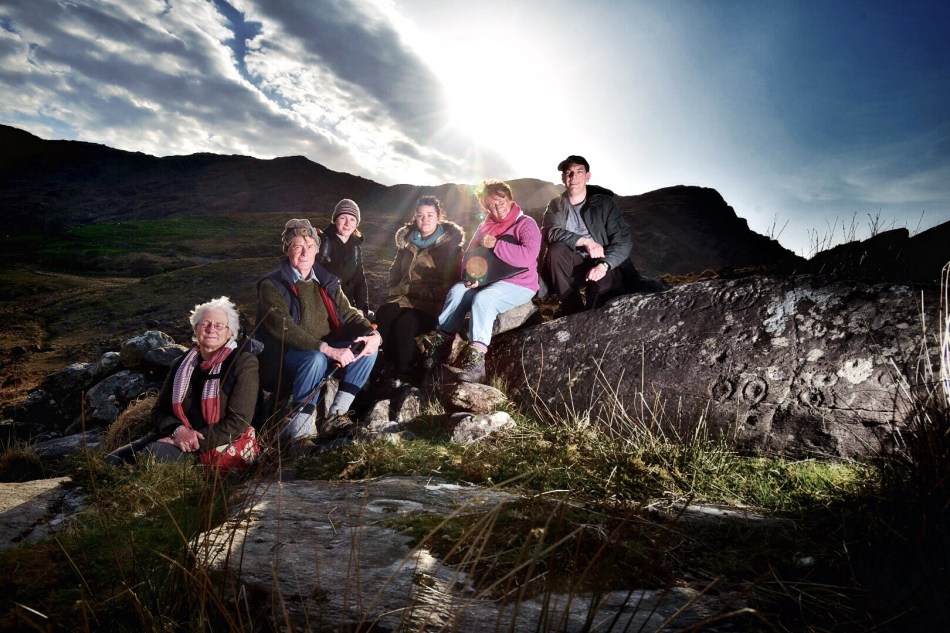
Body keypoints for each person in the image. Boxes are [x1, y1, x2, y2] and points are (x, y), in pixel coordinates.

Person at [256, 218, 381, 456]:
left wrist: (373, 334)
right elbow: (284, 328)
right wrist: (326, 349)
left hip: (324, 351)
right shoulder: (272, 285)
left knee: (367, 348)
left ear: (317, 248)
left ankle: (335, 416)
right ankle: (300, 435)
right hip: (284, 357)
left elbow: (349, 313)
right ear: (287, 249)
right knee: (314, 358)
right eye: (297, 246)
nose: (304, 252)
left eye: (310, 246)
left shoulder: (327, 280)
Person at [105, 296, 260, 473]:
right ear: (196, 328)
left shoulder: (243, 363)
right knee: (113, 460)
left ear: (230, 333)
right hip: (176, 436)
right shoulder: (181, 363)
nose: (211, 330)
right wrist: (178, 431)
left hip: (214, 443)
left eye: (219, 326)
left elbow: (238, 422)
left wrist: (190, 441)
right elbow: (159, 411)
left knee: (152, 455)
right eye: (205, 324)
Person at [416, 180, 541, 383]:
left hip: (519, 283)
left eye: (500, 201)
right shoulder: (485, 226)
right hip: (488, 281)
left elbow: (527, 257)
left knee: (484, 300)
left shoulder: (526, 224)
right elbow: (469, 255)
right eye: (489, 205)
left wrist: (496, 244)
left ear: (509, 199)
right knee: (458, 291)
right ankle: (443, 341)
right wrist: (472, 276)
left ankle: (476, 359)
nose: (496, 207)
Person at [374, 196, 464, 388]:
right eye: (420, 215)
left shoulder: (451, 248)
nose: (425, 219)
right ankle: (389, 365)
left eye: (430, 215)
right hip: (403, 298)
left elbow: (452, 282)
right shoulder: (407, 244)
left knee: (405, 323)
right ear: (415, 217)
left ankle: (406, 374)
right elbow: (394, 272)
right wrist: (395, 290)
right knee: (384, 314)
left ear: (439, 216)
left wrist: (422, 292)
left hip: (431, 304)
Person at [542, 155, 640, 315]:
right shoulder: (556, 205)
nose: (573, 177)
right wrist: (584, 241)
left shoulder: (604, 204)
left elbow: (623, 241)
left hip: (601, 262)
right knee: (555, 250)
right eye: (568, 172)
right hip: (571, 265)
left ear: (587, 176)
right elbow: (549, 231)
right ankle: (570, 307)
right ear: (563, 177)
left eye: (579, 171)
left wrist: (604, 265)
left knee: (600, 302)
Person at [317, 198, 370, 316]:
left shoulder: (356, 248)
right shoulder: (322, 243)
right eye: (343, 218)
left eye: (352, 219)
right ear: (335, 220)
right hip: (323, 309)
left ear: (356, 223)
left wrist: (361, 309)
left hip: (348, 308)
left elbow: (359, 280)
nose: (347, 223)